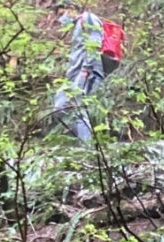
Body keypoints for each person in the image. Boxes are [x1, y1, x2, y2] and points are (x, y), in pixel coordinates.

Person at [52, 1, 106, 143]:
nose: (60, 19)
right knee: (60, 104)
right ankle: (82, 139)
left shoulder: (88, 18)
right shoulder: (77, 25)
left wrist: (86, 70)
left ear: (71, 9)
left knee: (77, 105)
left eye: (61, 14)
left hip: (87, 71)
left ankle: (87, 146)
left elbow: (94, 44)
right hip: (74, 75)